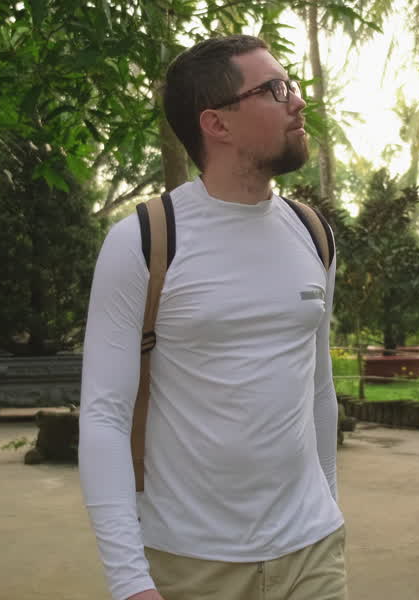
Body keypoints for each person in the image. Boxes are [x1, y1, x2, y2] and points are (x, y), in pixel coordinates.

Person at [79, 34, 345, 600]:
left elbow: (320, 390)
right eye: (275, 91)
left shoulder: (312, 234)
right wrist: (129, 582)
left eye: (290, 84)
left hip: (313, 554)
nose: (297, 102)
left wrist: (331, 510)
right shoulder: (145, 242)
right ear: (216, 124)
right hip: (190, 562)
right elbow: (104, 415)